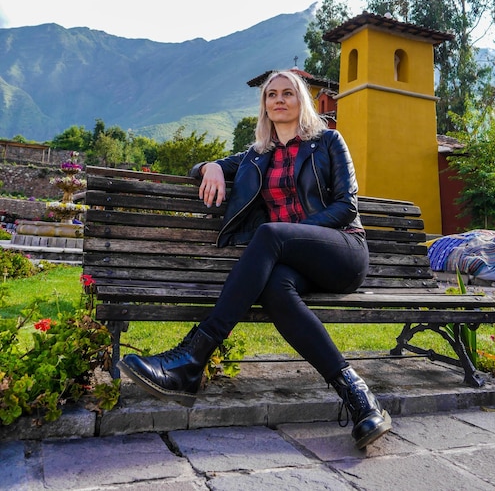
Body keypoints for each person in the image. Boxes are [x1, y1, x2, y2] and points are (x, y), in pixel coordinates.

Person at [118, 70, 392, 449]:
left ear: (302, 102)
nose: (279, 100)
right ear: (264, 106)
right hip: (293, 264)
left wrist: (295, 235)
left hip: (342, 251)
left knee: (271, 235)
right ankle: (359, 397)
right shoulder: (256, 155)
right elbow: (201, 168)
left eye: (288, 94)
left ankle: (191, 359)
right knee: (275, 287)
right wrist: (210, 167)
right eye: (271, 95)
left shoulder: (328, 141)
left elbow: (347, 205)